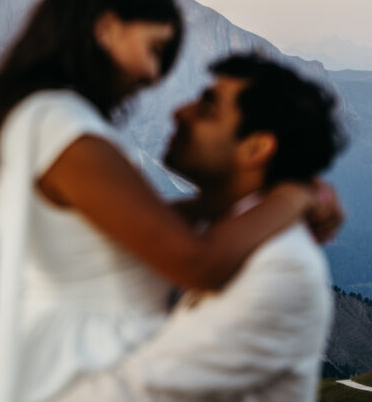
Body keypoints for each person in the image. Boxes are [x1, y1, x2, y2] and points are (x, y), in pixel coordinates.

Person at [0, 0, 338, 402]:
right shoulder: (62, 126)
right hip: (81, 368)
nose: (153, 75)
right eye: (153, 50)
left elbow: (119, 231)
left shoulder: (44, 118)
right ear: (106, 27)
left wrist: (244, 199)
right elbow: (198, 263)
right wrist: (293, 196)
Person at [58, 53, 346, 401]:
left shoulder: (281, 268)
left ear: (256, 147)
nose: (179, 112)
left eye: (208, 109)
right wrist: (297, 194)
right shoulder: (228, 229)